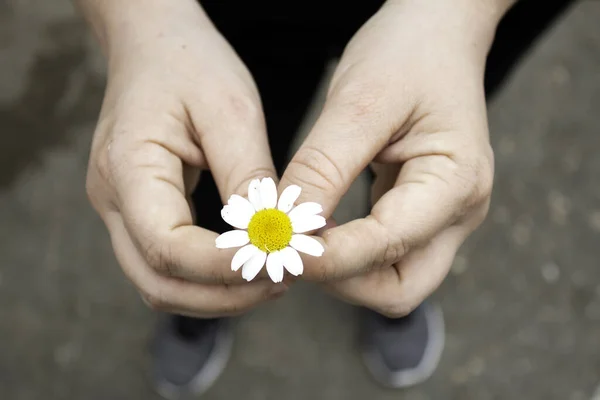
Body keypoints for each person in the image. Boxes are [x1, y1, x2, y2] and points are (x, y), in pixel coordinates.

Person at [75, 0, 575, 397]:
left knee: (412, 170)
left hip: (451, 19)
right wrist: (137, 18)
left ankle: (394, 276)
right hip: (224, 17)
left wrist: (466, 11)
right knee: (209, 166)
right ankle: (193, 307)